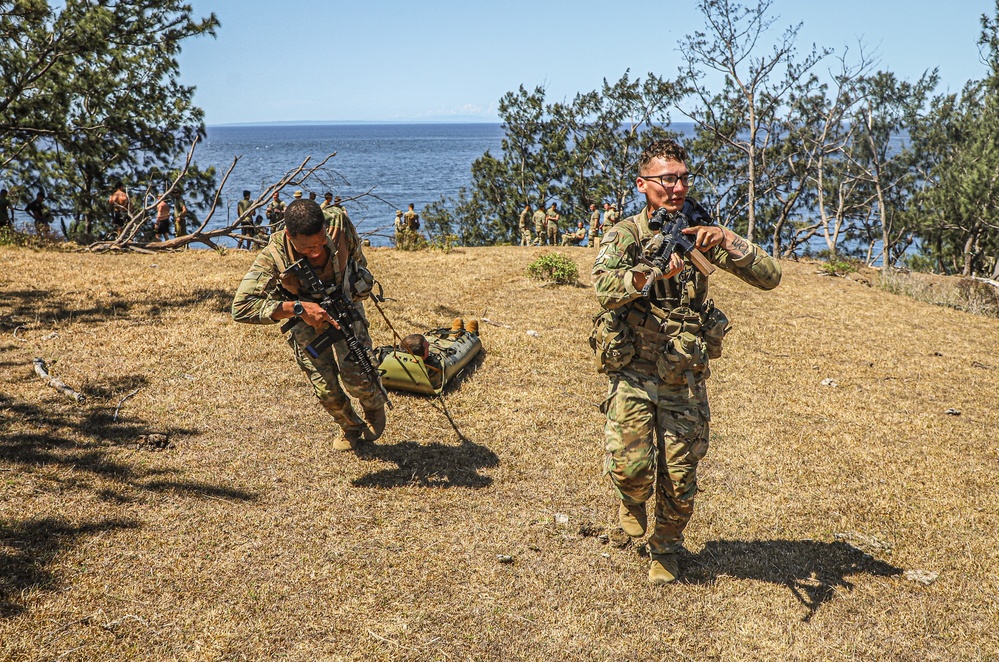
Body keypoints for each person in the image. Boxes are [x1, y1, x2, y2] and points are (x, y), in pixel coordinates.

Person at [592, 138, 781, 585]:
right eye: (665, 179)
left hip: (685, 373)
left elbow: (770, 277)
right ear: (643, 185)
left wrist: (727, 238)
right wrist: (653, 272)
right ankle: (631, 498)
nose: (676, 188)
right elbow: (603, 288)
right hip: (636, 369)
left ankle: (666, 549)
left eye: (682, 178)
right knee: (630, 469)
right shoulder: (625, 234)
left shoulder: (700, 230)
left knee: (680, 477)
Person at [231, 199, 387, 451]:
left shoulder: (338, 222)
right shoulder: (274, 255)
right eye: (307, 248)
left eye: (320, 243)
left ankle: (373, 405)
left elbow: (357, 254)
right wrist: (299, 309)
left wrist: (356, 285)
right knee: (325, 388)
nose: (315, 252)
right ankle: (349, 425)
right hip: (303, 313)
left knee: (358, 375)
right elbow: (241, 307)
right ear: (290, 236)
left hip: (343, 303)